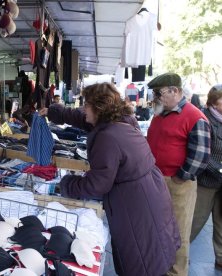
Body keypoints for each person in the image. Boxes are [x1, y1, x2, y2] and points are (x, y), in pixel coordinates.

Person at [39, 82, 180, 276]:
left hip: (135, 207)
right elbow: (82, 118)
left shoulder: (107, 137)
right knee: (153, 256)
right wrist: (55, 112)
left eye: (86, 104)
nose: (83, 108)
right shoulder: (121, 119)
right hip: (149, 197)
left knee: (140, 263)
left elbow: (97, 184)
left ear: (98, 108)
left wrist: (66, 184)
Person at [146, 73, 211, 276]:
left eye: (159, 93)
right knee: (157, 226)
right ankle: (159, 267)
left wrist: (181, 176)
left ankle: (176, 273)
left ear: (175, 91)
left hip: (177, 183)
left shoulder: (194, 117)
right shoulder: (161, 114)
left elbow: (201, 156)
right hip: (157, 179)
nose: (155, 97)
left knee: (179, 231)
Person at [190, 84, 222, 271]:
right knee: (195, 221)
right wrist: (218, 170)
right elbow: (203, 153)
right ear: (214, 101)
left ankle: (220, 259)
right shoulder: (204, 119)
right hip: (205, 182)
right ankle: (177, 254)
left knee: (220, 223)